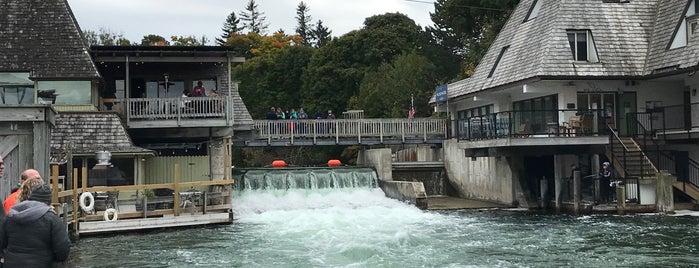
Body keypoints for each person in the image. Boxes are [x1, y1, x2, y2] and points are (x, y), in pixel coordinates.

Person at [0, 184, 71, 267]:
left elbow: (2, 242)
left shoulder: (12, 215)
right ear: (48, 201)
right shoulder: (52, 219)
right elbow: (63, 250)